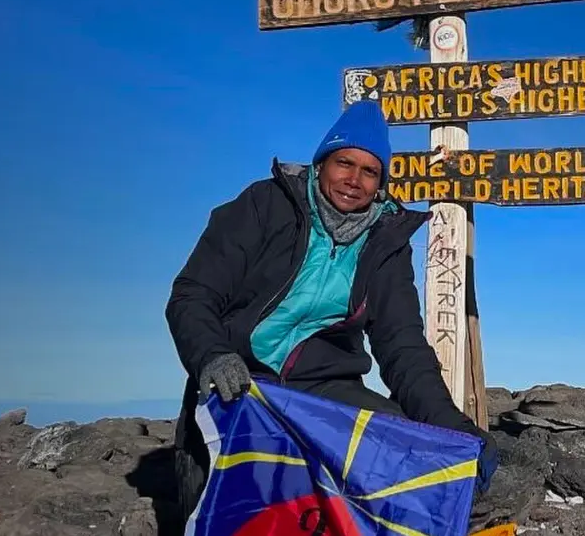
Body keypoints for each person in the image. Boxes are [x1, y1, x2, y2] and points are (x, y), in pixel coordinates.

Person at [164, 99, 498, 518]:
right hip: (241, 380)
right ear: (321, 163)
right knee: (229, 507)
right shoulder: (264, 206)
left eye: (370, 171)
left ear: (380, 183)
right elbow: (193, 294)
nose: (354, 180)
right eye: (344, 162)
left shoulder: (384, 244)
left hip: (322, 391)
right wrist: (211, 355)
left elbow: (403, 349)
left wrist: (455, 431)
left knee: (404, 451)